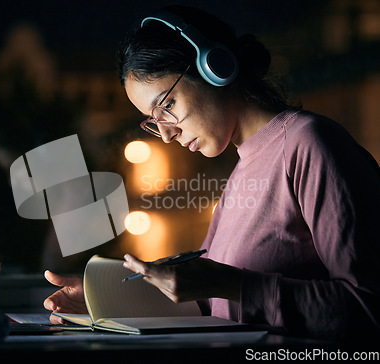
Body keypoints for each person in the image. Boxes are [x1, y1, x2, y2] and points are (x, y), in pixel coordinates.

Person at [44, 5, 380, 343]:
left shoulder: (310, 144)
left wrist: (231, 284)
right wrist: (103, 298)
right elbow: (207, 300)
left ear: (213, 67)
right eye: (153, 119)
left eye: (168, 106)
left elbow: (368, 308)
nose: (165, 134)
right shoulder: (241, 173)